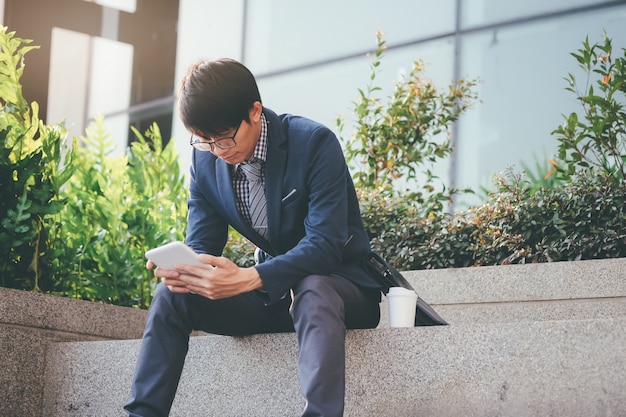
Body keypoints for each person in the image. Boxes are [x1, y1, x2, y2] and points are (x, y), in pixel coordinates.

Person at [124, 58, 382, 417]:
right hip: (271, 299)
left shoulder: (314, 144)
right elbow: (202, 246)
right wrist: (188, 270)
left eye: (226, 136)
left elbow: (324, 245)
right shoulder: (205, 163)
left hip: (339, 292)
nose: (219, 150)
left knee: (312, 286)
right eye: (205, 141)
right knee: (173, 292)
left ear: (255, 111)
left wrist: (248, 276)